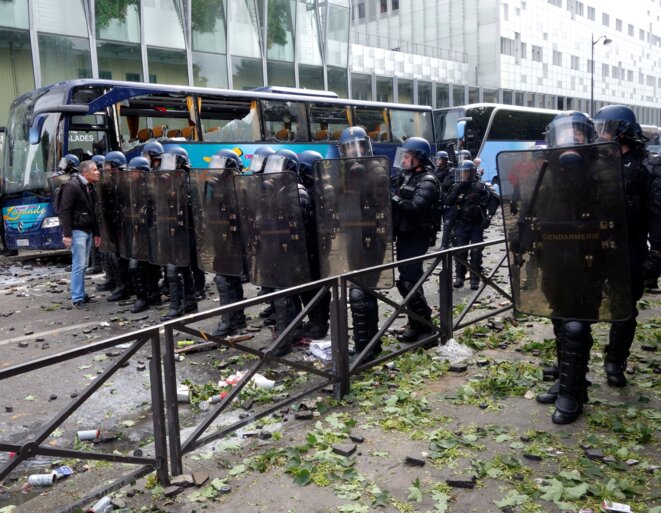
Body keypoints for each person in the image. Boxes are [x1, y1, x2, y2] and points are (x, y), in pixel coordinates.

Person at [391, 137, 440, 343]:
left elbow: (415, 207)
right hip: (404, 234)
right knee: (407, 281)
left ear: (418, 158)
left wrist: (392, 197)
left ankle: (428, 328)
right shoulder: (408, 177)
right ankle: (416, 323)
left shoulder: (427, 180)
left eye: (407, 156)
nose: (403, 160)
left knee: (410, 280)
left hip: (417, 236)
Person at [445, 159, 500, 290]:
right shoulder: (457, 186)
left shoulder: (481, 186)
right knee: (460, 251)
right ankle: (460, 276)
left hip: (476, 225)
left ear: (472, 173)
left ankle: (475, 278)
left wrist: (489, 216)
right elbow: (448, 201)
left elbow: (495, 199)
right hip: (461, 224)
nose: (463, 176)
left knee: (476, 252)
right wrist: (457, 189)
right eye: (462, 173)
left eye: (466, 173)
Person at [159, 146, 199, 321]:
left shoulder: (190, 181)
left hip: (187, 230)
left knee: (174, 269)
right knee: (183, 267)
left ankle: (176, 307)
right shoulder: (173, 180)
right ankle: (190, 302)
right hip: (176, 229)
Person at [212, 148, 248, 337]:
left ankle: (229, 321)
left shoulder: (238, 186)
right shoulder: (218, 186)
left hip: (235, 239)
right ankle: (236, 317)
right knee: (229, 278)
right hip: (222, 238)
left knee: (225, 279)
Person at [57, 159, 102, 310]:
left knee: (83, 265)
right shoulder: (73, 186)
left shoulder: (90, 187)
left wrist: (96, 233)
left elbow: (93, 212)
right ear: (85, 172)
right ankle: (77, 298)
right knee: (78, 265)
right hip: (77, 232)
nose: (98, 172)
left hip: (87, 231)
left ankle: (81, 294)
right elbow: (65, 210)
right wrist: (67, 234)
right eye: (95, 170)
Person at [297, 150, 331, 339]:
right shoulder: (305, 187)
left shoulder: (324, 190)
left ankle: (320, 323)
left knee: (319, 286)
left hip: (319, 246)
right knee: (307, 285)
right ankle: (313, 319)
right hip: (306, 245)